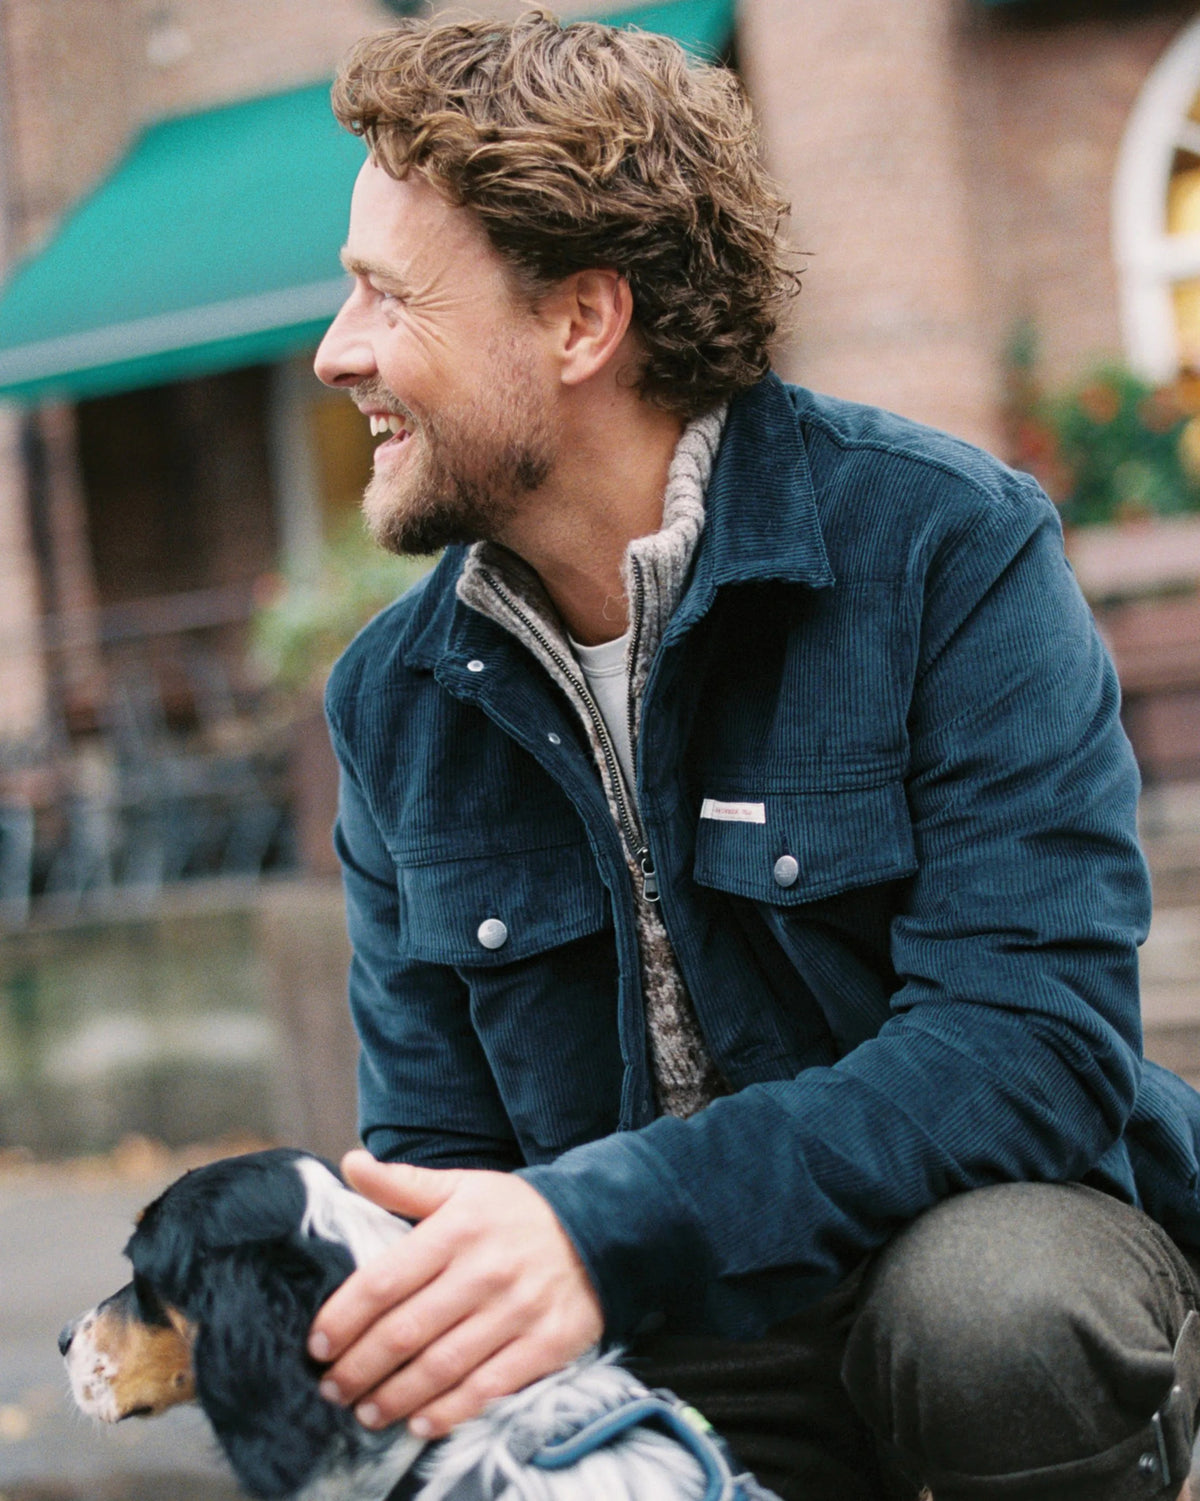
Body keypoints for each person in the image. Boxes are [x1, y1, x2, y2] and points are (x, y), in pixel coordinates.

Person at [304, 13, 1200, 1500]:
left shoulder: (942, 546)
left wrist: (609, 1220)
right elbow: (437, 1165)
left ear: (582, 323)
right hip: (668, 1331)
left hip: (982, 1241)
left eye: (387, 297)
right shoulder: (391, 702)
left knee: (994, 1316)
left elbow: (1033, 1048)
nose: (340, 353)